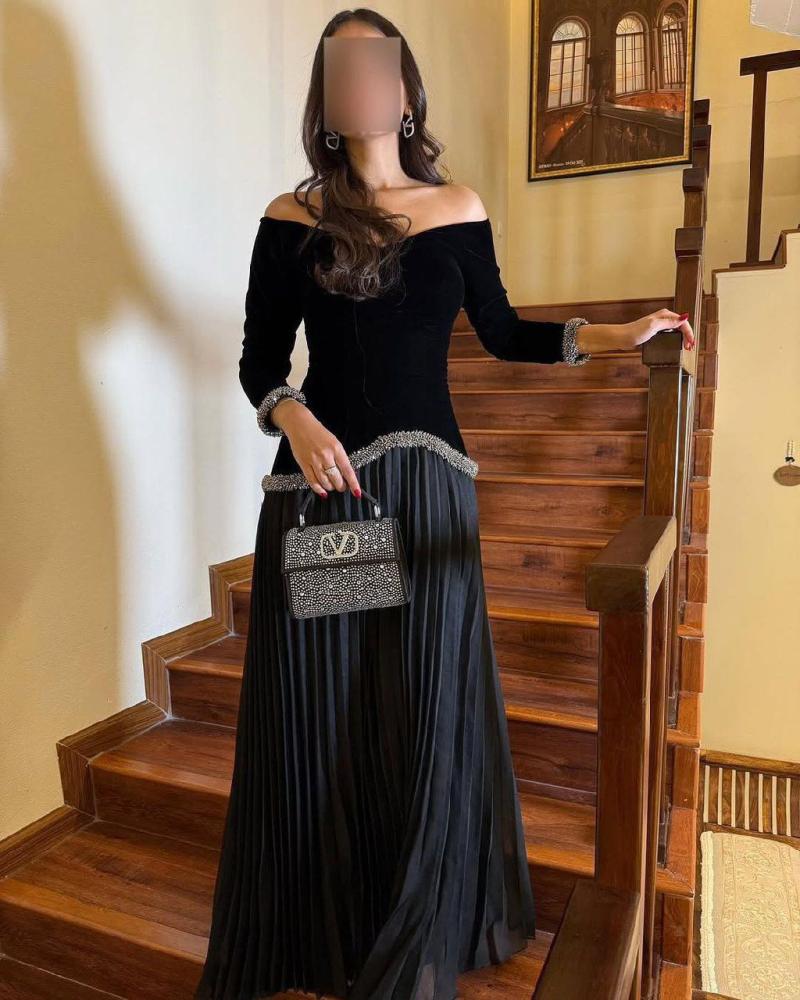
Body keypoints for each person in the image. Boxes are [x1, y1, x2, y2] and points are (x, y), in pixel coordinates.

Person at [194, 9, 695, 1000]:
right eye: (341, 71)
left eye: (377, 68)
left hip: (427, 497)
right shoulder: (292, 218)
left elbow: (503, 332)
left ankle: (416, 930)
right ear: (326, 100)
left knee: (423, 705)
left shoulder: (457, 208)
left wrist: (617, 332)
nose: (362, 86)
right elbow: (259, 358)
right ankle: (333, 929)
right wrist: (293, 416)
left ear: (405, 91)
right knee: (339, 712)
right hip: (333, 496)